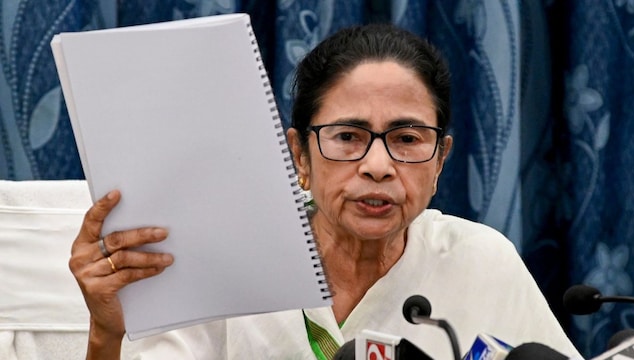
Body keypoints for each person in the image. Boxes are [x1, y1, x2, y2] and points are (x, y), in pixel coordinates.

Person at [69, 23, 582, 359]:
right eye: (348, 138)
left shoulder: (479, 260)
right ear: (299, 156)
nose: (378, 166)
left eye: (406, 139)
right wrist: (105, 334)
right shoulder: (227, 262)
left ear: (441, 159)